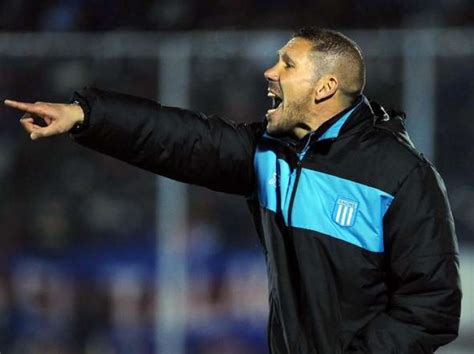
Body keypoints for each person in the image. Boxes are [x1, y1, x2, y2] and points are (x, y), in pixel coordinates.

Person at [4, 27, 461, 353]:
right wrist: (88, 116)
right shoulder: (272, 154)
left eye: (287, 63)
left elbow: (433, 304)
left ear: (325, 86)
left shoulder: (401, 175)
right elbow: (181, 138)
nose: (270, 71)